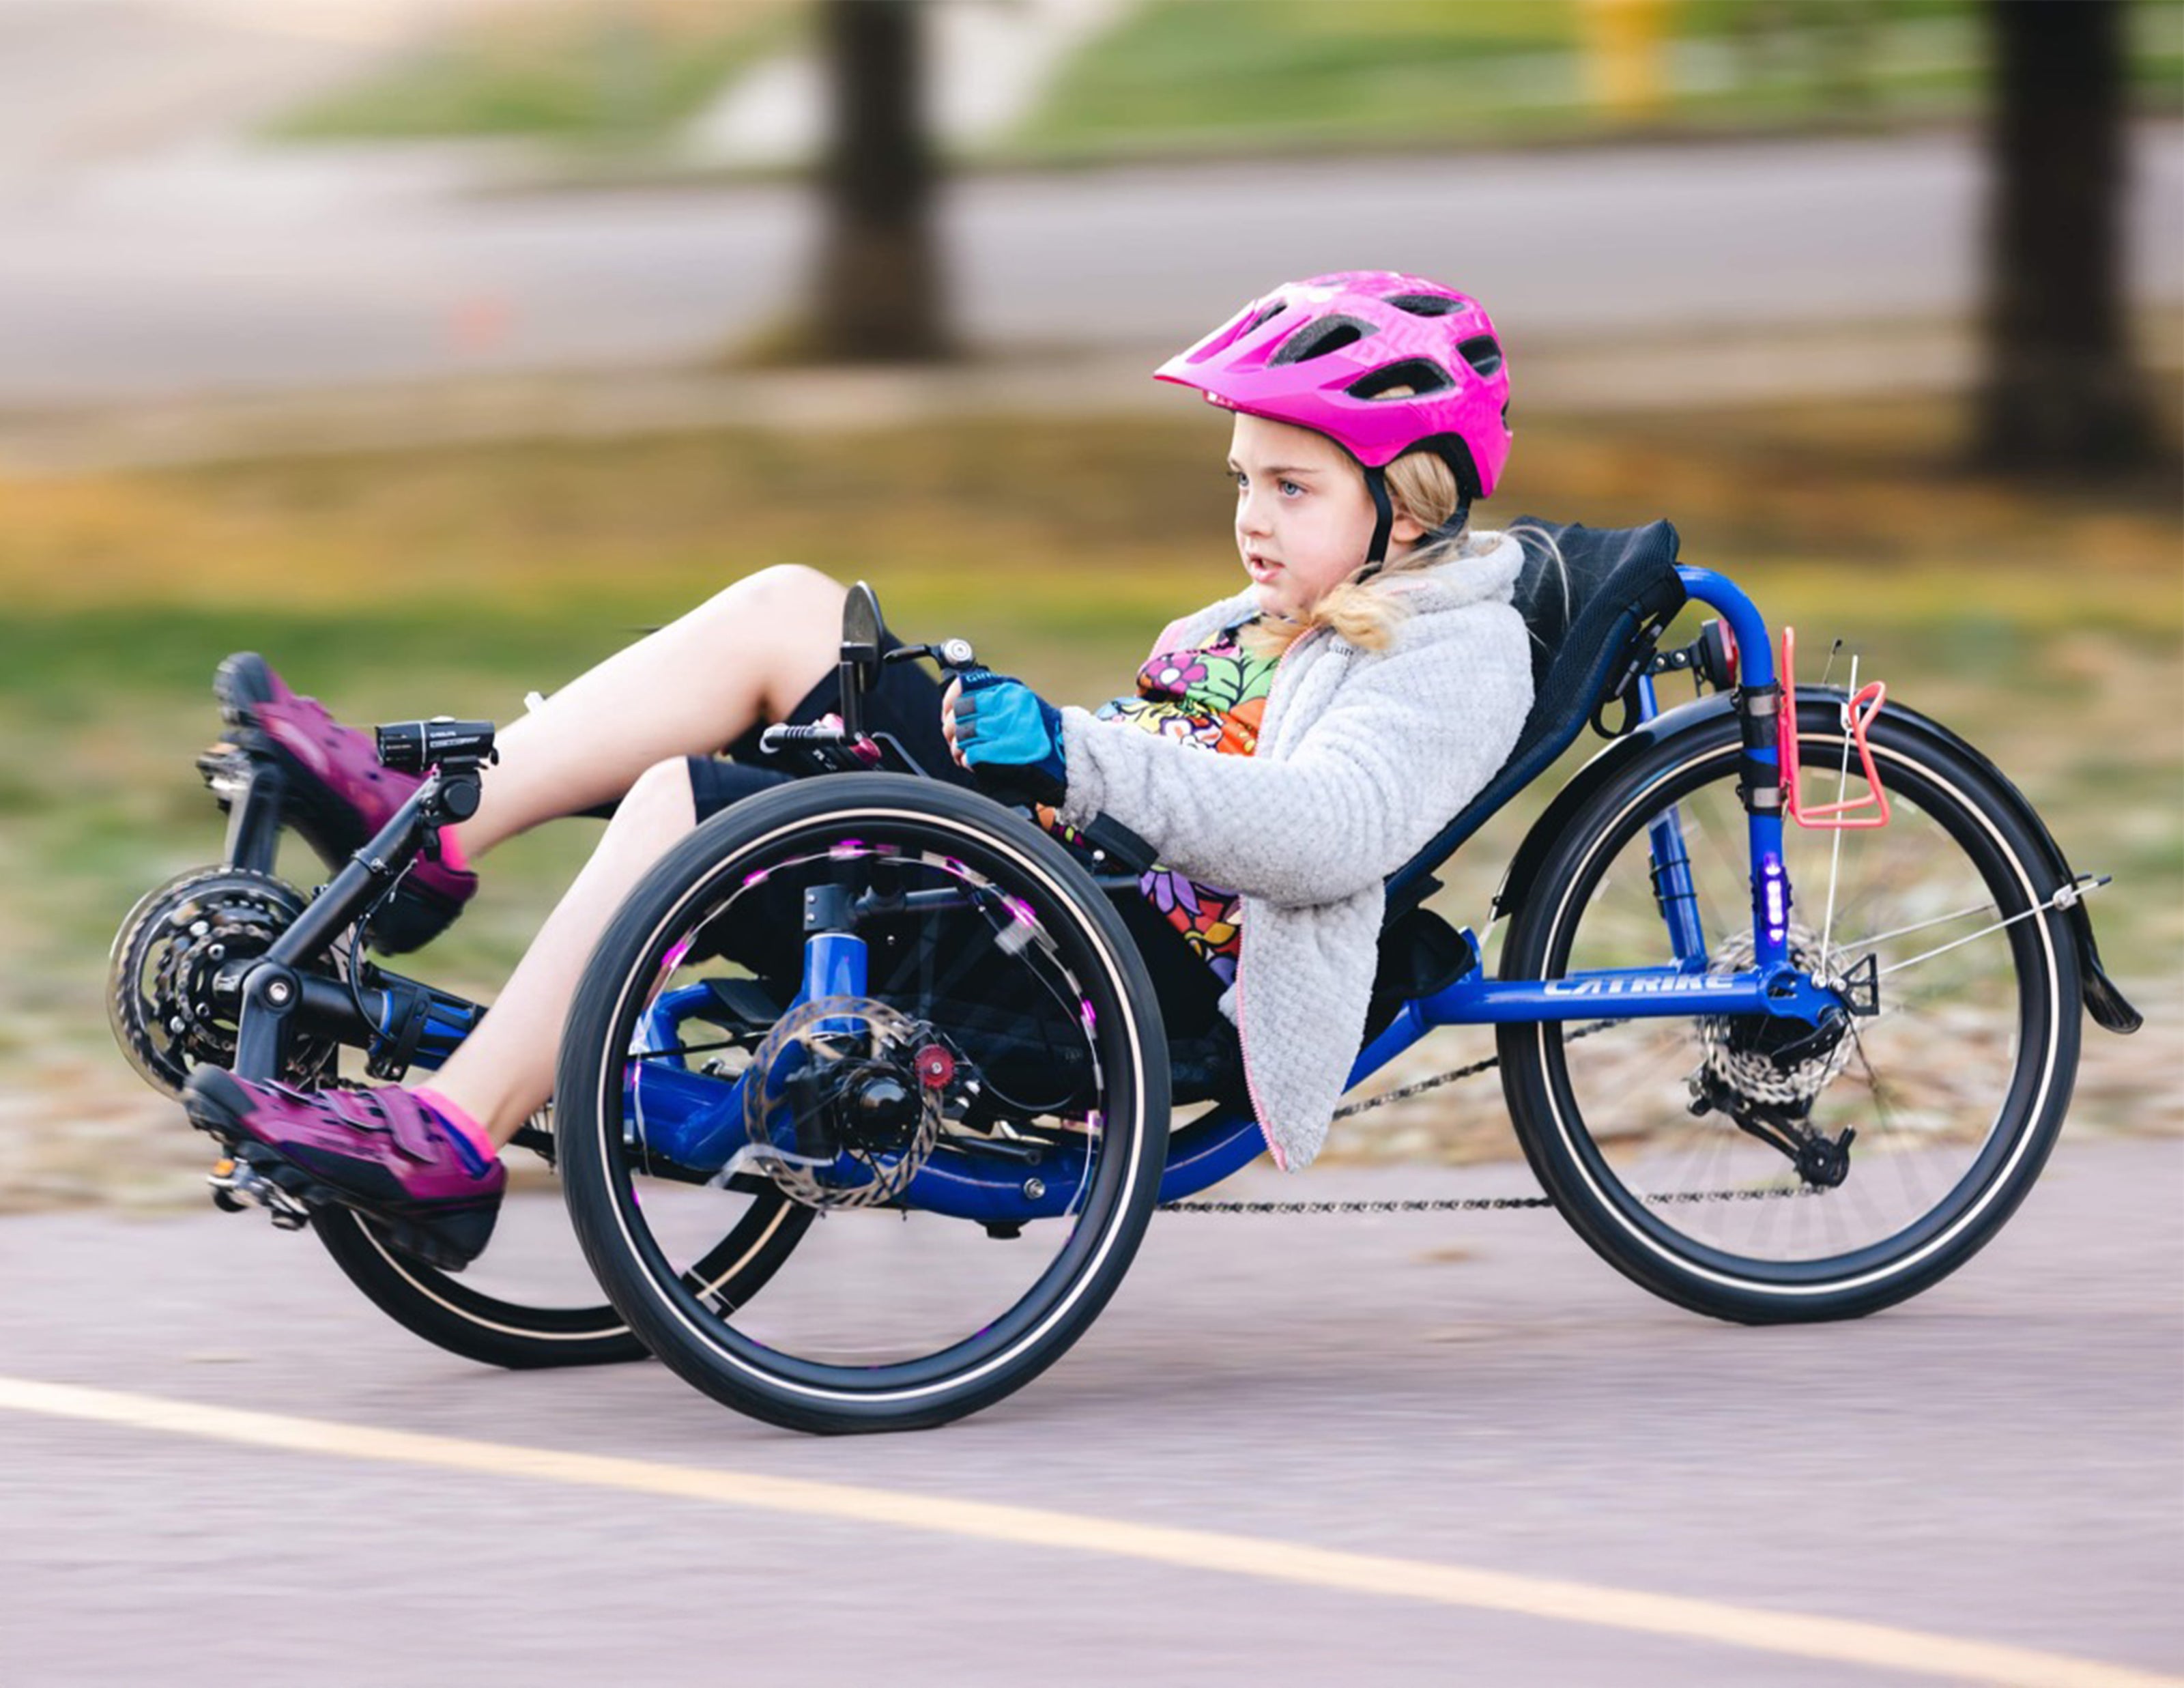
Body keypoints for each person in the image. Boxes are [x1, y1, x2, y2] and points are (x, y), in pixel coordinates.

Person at [181, 270, 1537, 1268]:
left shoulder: (1452, 652)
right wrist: (1046, 738)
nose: (1248, 518)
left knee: (687, 805)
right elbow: (1147, 761)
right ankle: (441, 831)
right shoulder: (1239, 625)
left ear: (1404, 502)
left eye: (1290, 488)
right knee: (783, 607)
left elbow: (1324, 831)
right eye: (1242, 480)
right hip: (1060, 894)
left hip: (1126, 978)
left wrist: (1069, 751)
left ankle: (451, 1134)